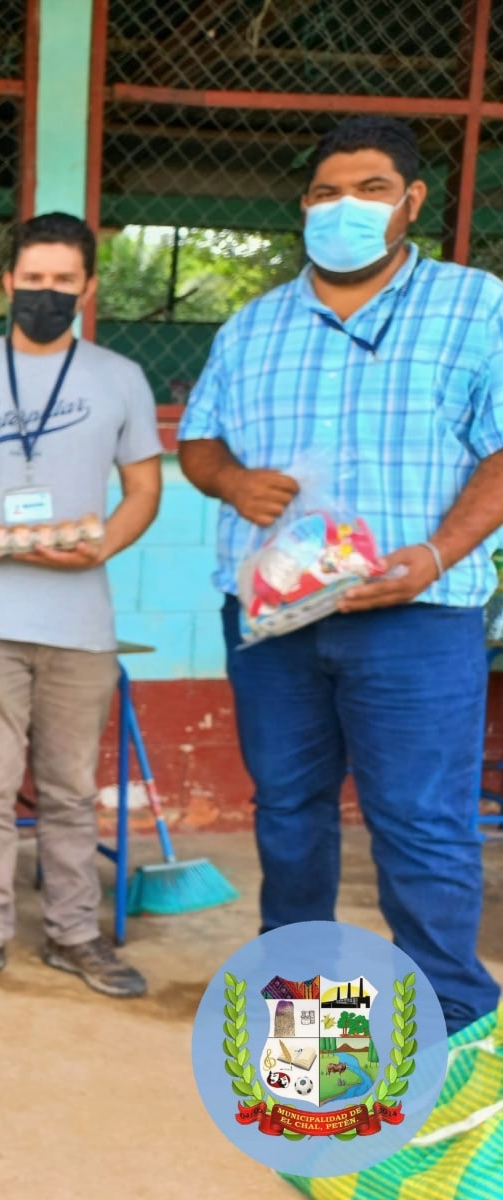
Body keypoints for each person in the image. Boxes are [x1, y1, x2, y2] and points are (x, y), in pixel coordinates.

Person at [179, 116, 503, 1036]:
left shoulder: (475, 306)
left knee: (420, 824)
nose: (343, 208)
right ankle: (307, 1013)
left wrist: (436, 554)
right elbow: (200, 440)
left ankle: (457, 1025)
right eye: (325, 193)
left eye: (368, 189)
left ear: (410, 203)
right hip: (276, 618)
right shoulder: (253, 325)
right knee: (288, 813)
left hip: (417, 615)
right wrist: (232, 479)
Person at [0, 214, 162, 1002]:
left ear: (86, 289)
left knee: (70, 791)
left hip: (80, 623)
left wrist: (104, 544)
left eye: (63, 282)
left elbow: (144, 489)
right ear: (8, 282)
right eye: (33, 279)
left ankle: (74, 934)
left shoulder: (120, 377)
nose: (45, 294)